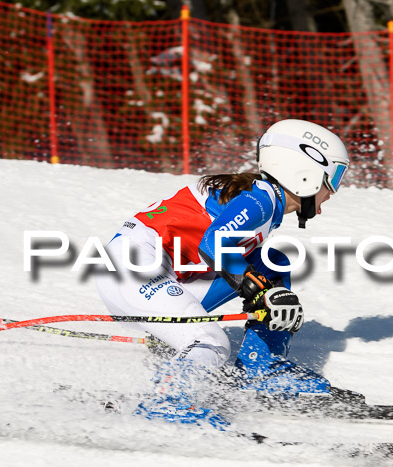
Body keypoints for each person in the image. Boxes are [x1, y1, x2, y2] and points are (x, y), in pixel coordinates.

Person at [95, 119, 350, 427]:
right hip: (130, 271)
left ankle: (262, 369)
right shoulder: (259, 200)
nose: (333, 191)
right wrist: (262, 292)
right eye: (334, 177)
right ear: (304, 173)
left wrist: (265, 289)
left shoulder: (265, 200)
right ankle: (167, 402)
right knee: (212, 341)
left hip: (163, 275)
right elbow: (214, 244)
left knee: (273, 262)